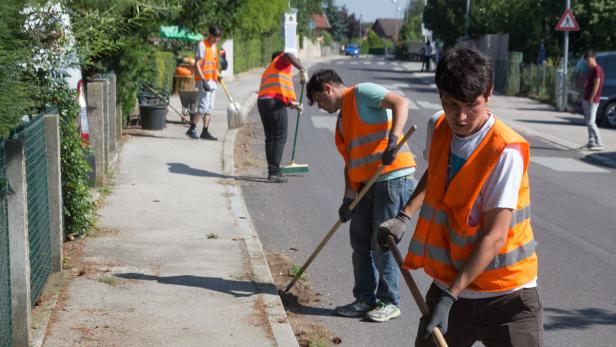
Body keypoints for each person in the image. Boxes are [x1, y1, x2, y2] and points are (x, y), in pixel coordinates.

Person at [378, 46, 543, 346]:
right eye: (451, 104)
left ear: (489, 94)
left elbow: (494, 236)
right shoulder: (439, 127)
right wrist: (403, 216)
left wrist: (449, 297)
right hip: (450, 284)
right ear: (440, 94)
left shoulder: (504, 151)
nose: (462, 117)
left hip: (506, 297)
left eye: (472, 105)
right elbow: (436, 172)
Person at [306, 69, 418, 322]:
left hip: (392, 178)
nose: (321, 107)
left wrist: (393, 139)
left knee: (382, 243)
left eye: (319, 101)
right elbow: (351, 162)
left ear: (327, 89)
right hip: (365, 185)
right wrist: (348, 198)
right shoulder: (342, 121)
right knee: (359, 244)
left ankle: (389, 301)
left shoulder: (362, 92)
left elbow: (401, 102)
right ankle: (365, 299)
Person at [257, 51, 307, 183]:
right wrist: (302, 69)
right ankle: (274, 173)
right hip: (273, 103)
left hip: (263, 102)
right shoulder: (281, 60)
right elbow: (288, 56)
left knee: (271, 137)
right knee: (280, 136)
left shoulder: (270, 70)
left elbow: (278, 91)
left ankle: (272, 171)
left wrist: (293, 104)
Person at [188, 25, 222, 140]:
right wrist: (203, 81)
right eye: (216, 37)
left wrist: (218, 75)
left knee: (209, 108)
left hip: (212, 80)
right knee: (203, 107)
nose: (217, 40)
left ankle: (205, 131)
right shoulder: (202, 45)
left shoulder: (214, 47)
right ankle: (191, 129)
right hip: (204, 80)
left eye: (218, 38)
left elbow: (214, 64)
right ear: (211, 35)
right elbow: (197, 64)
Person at [582, 49, 604, 151]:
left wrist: (591, 97)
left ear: (593, 58)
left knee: (591, 122)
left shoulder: (597, 69)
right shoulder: (592, 70)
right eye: (586, 60)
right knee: (588, 121)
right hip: (587, 98)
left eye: (588, 60)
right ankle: (591, 141)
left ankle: (599, 142)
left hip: (593, 100)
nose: (587, 62)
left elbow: (597, 83)